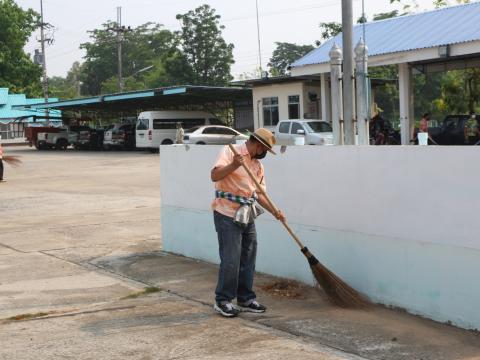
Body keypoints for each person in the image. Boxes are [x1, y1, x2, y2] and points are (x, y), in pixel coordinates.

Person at [210, 128, 285, 317]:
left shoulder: (258, 166)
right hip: (226, 212)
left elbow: (259, 194)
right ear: (259, 145)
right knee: (231, 259)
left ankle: (245, 298)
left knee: (248, 256)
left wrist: (275, 211)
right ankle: (223, 300)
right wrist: (234, 165)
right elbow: (215, 175)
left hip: (246, 213)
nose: (264, 153)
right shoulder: (231, 152)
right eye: (265, 149)